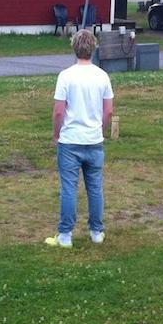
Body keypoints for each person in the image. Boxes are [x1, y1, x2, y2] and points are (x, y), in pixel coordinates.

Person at [46, 30, 114, 249]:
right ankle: (96, 231)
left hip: (70, 140)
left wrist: (57, 134)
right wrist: (101, 131)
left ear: (74, 48)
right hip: (94, 140)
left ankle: (65, 235)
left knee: (69, 188)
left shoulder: (66, 76)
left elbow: (59, 111)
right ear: (93, 49)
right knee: (95, 187)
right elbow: (109, 111)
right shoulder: (102, 76)